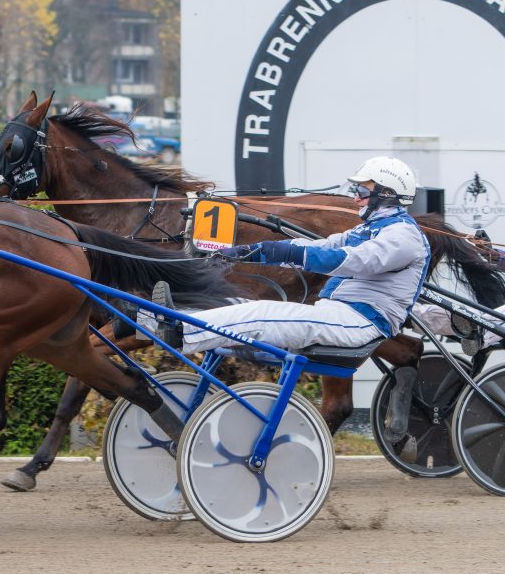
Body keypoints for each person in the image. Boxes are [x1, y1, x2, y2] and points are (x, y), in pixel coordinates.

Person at [159, 156, 430, 461]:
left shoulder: (403, 236)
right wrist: (251, 252)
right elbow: (318, 247)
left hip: (361, 321)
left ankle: (178, 332)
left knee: (259, 313)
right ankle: (148, 320)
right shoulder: (366, 230)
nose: (356, 197)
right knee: (238, 306)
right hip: (338, 313)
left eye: (364, 191)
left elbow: (346, 260)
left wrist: (279, 250)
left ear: (386, 194)